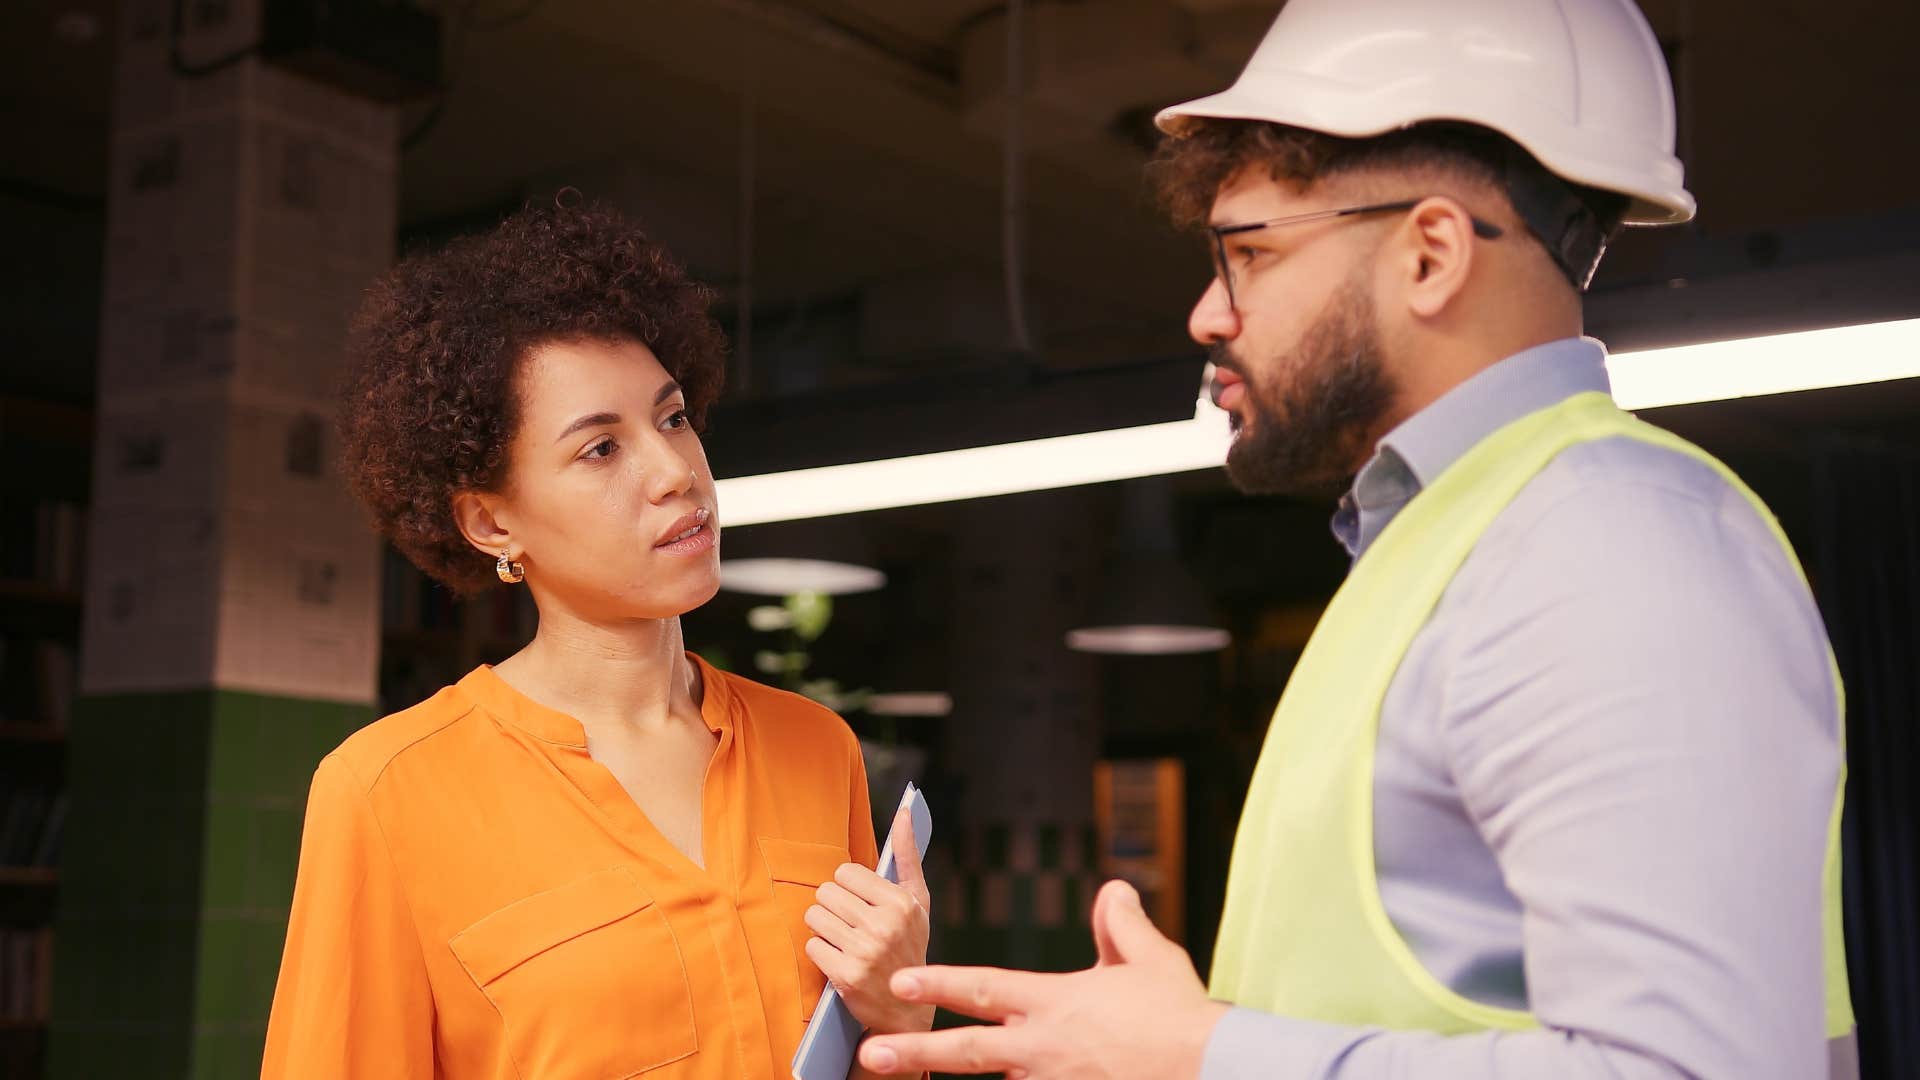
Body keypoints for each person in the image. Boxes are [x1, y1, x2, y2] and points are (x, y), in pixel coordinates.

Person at [857, 1, 1855, 1077]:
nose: (1207, 311)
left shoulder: (1606, 546)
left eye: (1251, 252)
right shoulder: (1452, 551)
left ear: (1429, 255)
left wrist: (1206, 1057)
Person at [261, 199, 935, 1079]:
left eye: (673, 418)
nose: (674, 473)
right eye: (600, 451)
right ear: (490, 521)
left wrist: (904, 1021)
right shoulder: (387, 792)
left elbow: (869, 1057)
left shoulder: (817, 747)